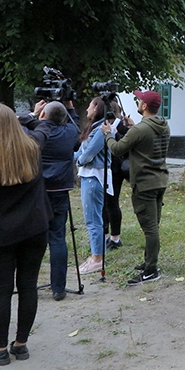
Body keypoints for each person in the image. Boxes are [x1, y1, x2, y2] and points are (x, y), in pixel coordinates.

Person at [0, 104, 51, 366]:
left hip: (1, 234)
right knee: (28, 285)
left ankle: (1, 349)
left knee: (1, 291)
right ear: (15, 125)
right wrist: (25, 117)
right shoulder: (33, 148)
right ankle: (22, 344)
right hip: (34, 228)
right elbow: (45, 126)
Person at [103, 89, 171, 285]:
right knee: (154, 224)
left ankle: (151, 269)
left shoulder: (139, 130)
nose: (138, 102)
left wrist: (108, 135)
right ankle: (149, 261)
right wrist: (132, 126)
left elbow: (117, 149)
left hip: (144, 183)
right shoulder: (163, 125)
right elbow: (145, 139)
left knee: (149, 228)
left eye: (140, 100)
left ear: (144, 106)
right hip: (160, 180)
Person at [20, 100, 79, 300]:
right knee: (57, 237)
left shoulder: (36, 135)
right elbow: (75, 125)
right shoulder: (70, 132)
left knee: (31, 237)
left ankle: (27, 284)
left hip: (37, 190)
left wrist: (34, 115)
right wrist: (69, 107)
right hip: (60, 189)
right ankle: (58, 288)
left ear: (43, 116)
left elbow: (20, 126)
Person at [74, 97, 109, 275]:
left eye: (90, 105)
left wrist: (79, 160)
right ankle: (96, 254)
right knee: (91, 218)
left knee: (93, 219)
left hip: (94, 177)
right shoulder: (93, 128)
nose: (87, 108)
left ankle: (97, 258)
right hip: (88, 176)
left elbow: (87, 155)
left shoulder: (102, 130)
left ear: (96, 108)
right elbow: (80, 152)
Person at [104, 98, 133, 250]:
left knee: (111, 202)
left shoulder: (121, 125)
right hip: (105, 168)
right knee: (105, 203)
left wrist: (116, 134)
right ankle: (105, 234)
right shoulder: (104, 125)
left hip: (115, 169)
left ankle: (115, 237)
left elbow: (127, 145)